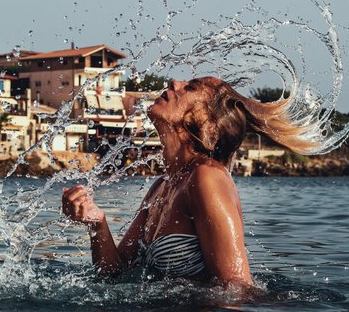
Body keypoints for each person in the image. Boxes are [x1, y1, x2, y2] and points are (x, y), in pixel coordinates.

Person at [62, 77, 318, 287]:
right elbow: (113, 273)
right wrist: (97, 223)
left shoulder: (207, 178)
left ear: (207, 126)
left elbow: (237, 288)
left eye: (191, 88)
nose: (174, 83)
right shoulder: (162, 187)